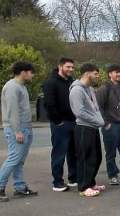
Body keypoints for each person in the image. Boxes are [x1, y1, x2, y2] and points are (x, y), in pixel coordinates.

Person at [0, 62, 38, 202]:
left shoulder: (21, 86)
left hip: (25, 127)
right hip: (17, 128)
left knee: (19, 161)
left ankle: (20, 187)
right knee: (13, 159)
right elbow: (12, 111)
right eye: (31, 72)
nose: (32, 75)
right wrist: (17, 131)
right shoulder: (11, 87)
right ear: (23, 72)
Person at [69, 63, 106, 197]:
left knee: (96, 157)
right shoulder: (76, 90)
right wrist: (98, 121)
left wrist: (100, 120)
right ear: (87, 74)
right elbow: (79, 112)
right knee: (85, 158)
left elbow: (95, 108)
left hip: (93, 128)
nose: (97, 76)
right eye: (95, 74)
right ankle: (83, 187)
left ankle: (91, 183)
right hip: (84, 128)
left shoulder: (89, 89)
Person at [43, 58, 78, 192]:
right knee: (59, 153)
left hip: (74, 122)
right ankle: (57, 182)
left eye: (72, 67)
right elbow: (49, 104)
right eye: (68, 67)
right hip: (60, 124)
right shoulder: (51, 82)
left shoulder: (71, 82)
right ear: (60, 66)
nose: (70, 69)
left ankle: (73, 178)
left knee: (73, 153)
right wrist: (58, 121)